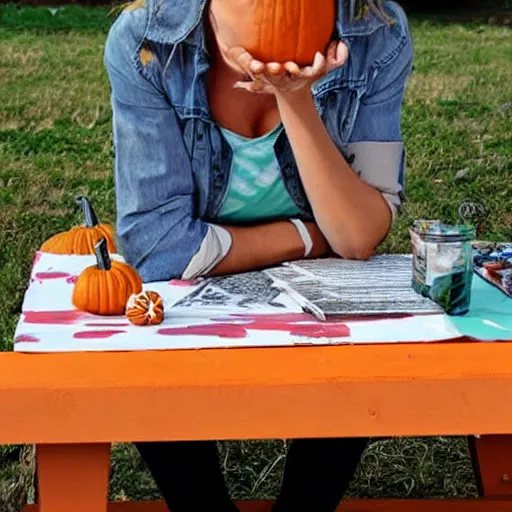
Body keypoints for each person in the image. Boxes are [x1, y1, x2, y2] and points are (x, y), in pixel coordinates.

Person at [104, 0, 413, 510]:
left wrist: (295, 101)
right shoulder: (148, 41)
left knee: (359, 343)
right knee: (149, 334)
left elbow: (358, 238)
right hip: (195, 291)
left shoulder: (376, 31)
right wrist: (310, 237)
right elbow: (158, 247)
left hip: (320, 294)